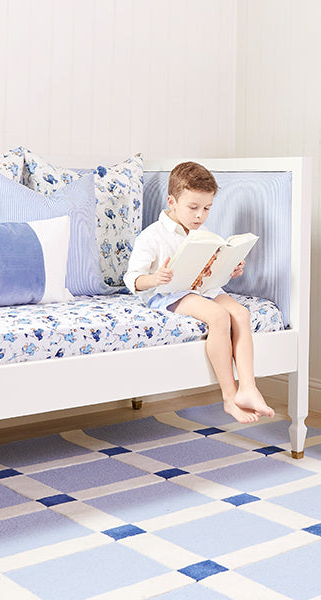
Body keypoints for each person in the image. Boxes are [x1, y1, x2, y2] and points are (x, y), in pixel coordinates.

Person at [124, 161, 274, 424]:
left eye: (206, 209)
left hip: (204, 288)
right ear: (172, 201)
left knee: (240, 313)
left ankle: (249, 388)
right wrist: (155, 278)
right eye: (193, 208)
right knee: (218, 316)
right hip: (170, 293)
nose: (200, 216)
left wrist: (229, 268)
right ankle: (229, 396)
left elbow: (210, 271)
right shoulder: (152, 236)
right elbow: (133, 279)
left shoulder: (203, 232)